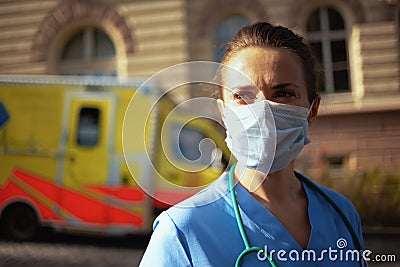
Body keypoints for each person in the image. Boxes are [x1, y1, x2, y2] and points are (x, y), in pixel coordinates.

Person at [140, 22, 365, 267]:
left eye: (283, 93)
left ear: (312, 110)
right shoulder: (183, 231)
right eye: (242, 96)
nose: (263, 112)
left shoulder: (342, 215)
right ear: (223, 113)